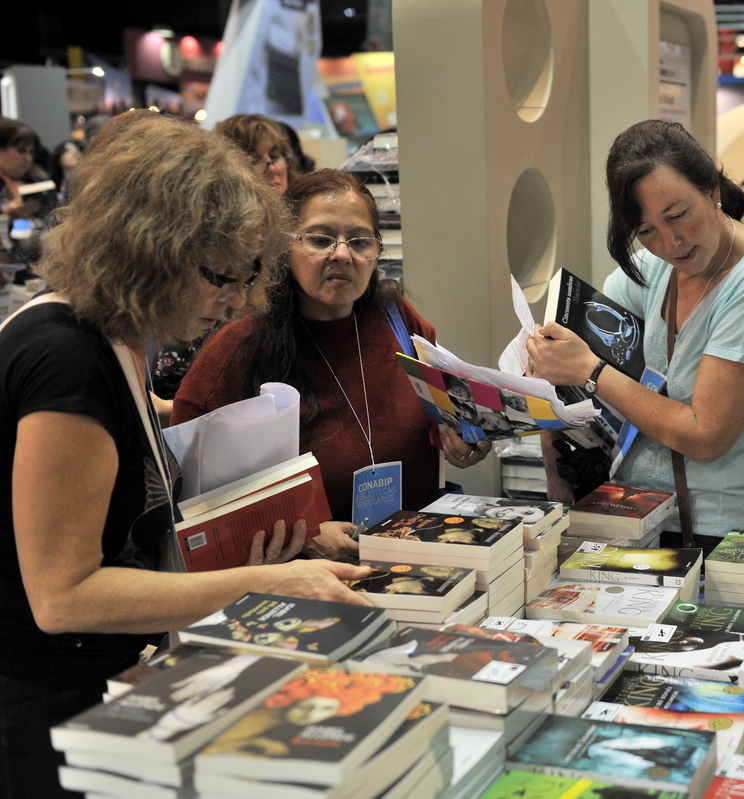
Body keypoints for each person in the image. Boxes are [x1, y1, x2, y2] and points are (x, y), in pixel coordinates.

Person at [0, 115, 371, 798]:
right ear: (150, 249)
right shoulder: (67, 361)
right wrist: (268, 583)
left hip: (85, 686)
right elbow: (63, 596)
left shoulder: (107, 337)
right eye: (219, 276)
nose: (233, 300)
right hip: (42, 710)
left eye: (246, 276)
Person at [172, 169, 490, 554]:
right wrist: (304, 535)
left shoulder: (397, 320)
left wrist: (459, 439)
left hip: (414, 558)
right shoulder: (239, 351)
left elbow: (437, 418)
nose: (342, 254)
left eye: (360, 241)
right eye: (320, 239)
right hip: (303, 578)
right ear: (284, 246)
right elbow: (190, 506)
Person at [527, 120, 744, 546]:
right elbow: (572, 345)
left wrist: (591, 370)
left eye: (678, 216)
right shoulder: (655, 267)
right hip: (633, 514)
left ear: (712, 190)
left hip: (716, 532)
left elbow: (706, 435)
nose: (670, 242)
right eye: (646, 231)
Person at [152, 114, 302, 402]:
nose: (272, 168)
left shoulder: (293, 236)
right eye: (256, 159)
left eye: (275, 156)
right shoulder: (190, 241)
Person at [0, 117, 55, 268]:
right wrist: (6, 218)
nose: (27, 158)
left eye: (31, 152)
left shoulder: (39, 182)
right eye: (21, 151)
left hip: (41, 266)